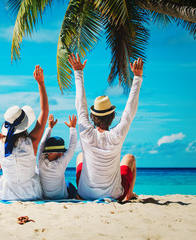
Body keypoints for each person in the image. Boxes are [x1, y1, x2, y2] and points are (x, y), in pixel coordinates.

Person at [69, 53, 143, 202]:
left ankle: (81, 193)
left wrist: (78, 73)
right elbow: (130, 110)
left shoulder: (86, 133)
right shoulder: (117, 134)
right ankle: (128, 196)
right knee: (130, 158)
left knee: (80, 157)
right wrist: (137, 78)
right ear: (112, 116)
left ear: (93, 117)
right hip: (114, 195)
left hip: (85, 194)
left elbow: (81, 105)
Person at [0, 65, 49, 201]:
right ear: (25, 125)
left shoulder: (0, 141)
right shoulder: (33, 140)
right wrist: (41, 83)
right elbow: (44, 112)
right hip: (31, 193)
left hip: (7, 194)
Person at [38, 114, 78, 200]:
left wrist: (49, 127)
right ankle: (77, 197)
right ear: (60, 154)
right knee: (69, 184)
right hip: (63, 196)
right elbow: (72, 146)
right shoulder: (61, 163)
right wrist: (72, 128)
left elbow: (42, 144)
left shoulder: (40, 161)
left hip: (45, 197)